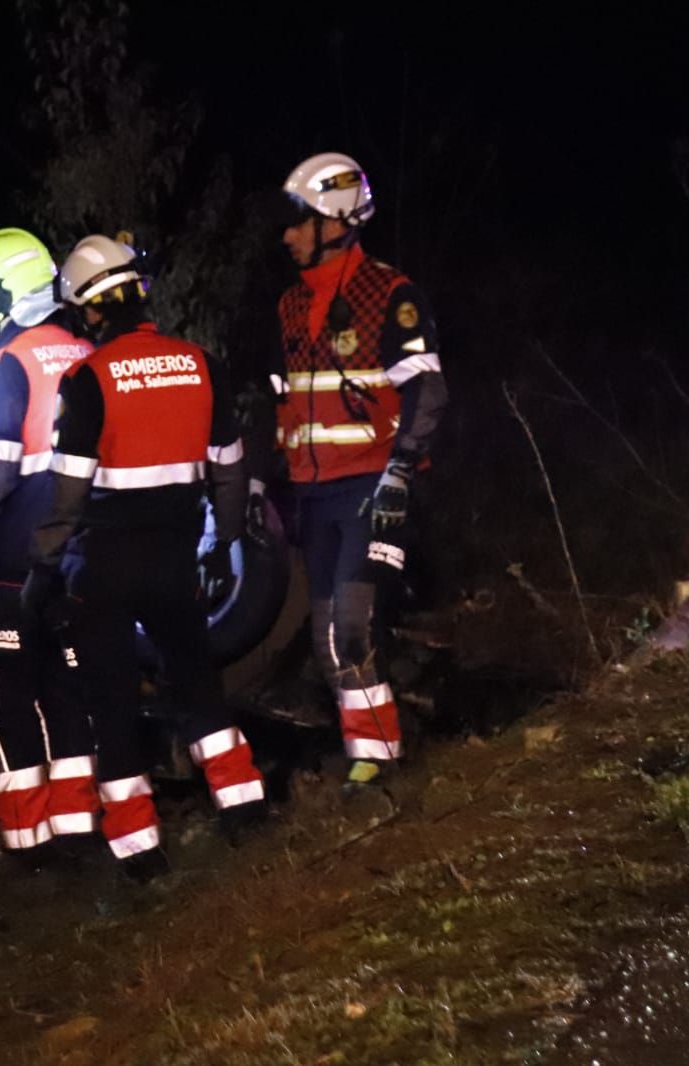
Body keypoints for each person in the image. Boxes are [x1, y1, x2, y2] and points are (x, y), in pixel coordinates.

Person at [26, 235, 268, 880]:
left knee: (110, 705)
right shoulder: (200, 362)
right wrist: (225, 542)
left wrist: (42, 570)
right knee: (197, 684)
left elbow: (69, 495)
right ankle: (243, 808)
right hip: (176, 558)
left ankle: (139, 850)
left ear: (89, 310)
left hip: (101, 566)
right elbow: (232, 468)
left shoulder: (87, 379)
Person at [271, 152, 448, 789]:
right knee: (324, 640)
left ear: (337, 219)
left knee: (353, 626)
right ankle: (364, 754)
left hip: (372, 489)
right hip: (312, 497)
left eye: (299, 222)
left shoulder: (391, 294)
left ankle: (381, 764)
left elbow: (428, 392)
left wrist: (400, 473)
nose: (287, 235)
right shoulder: (292, 304)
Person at [0, 228, 99, 859]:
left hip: (13, 563)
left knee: (4, 703)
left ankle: (28, 840)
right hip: (78, 561)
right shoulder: (87, 354)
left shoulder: (4, 365)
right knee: (70, 693)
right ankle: (79, 831)